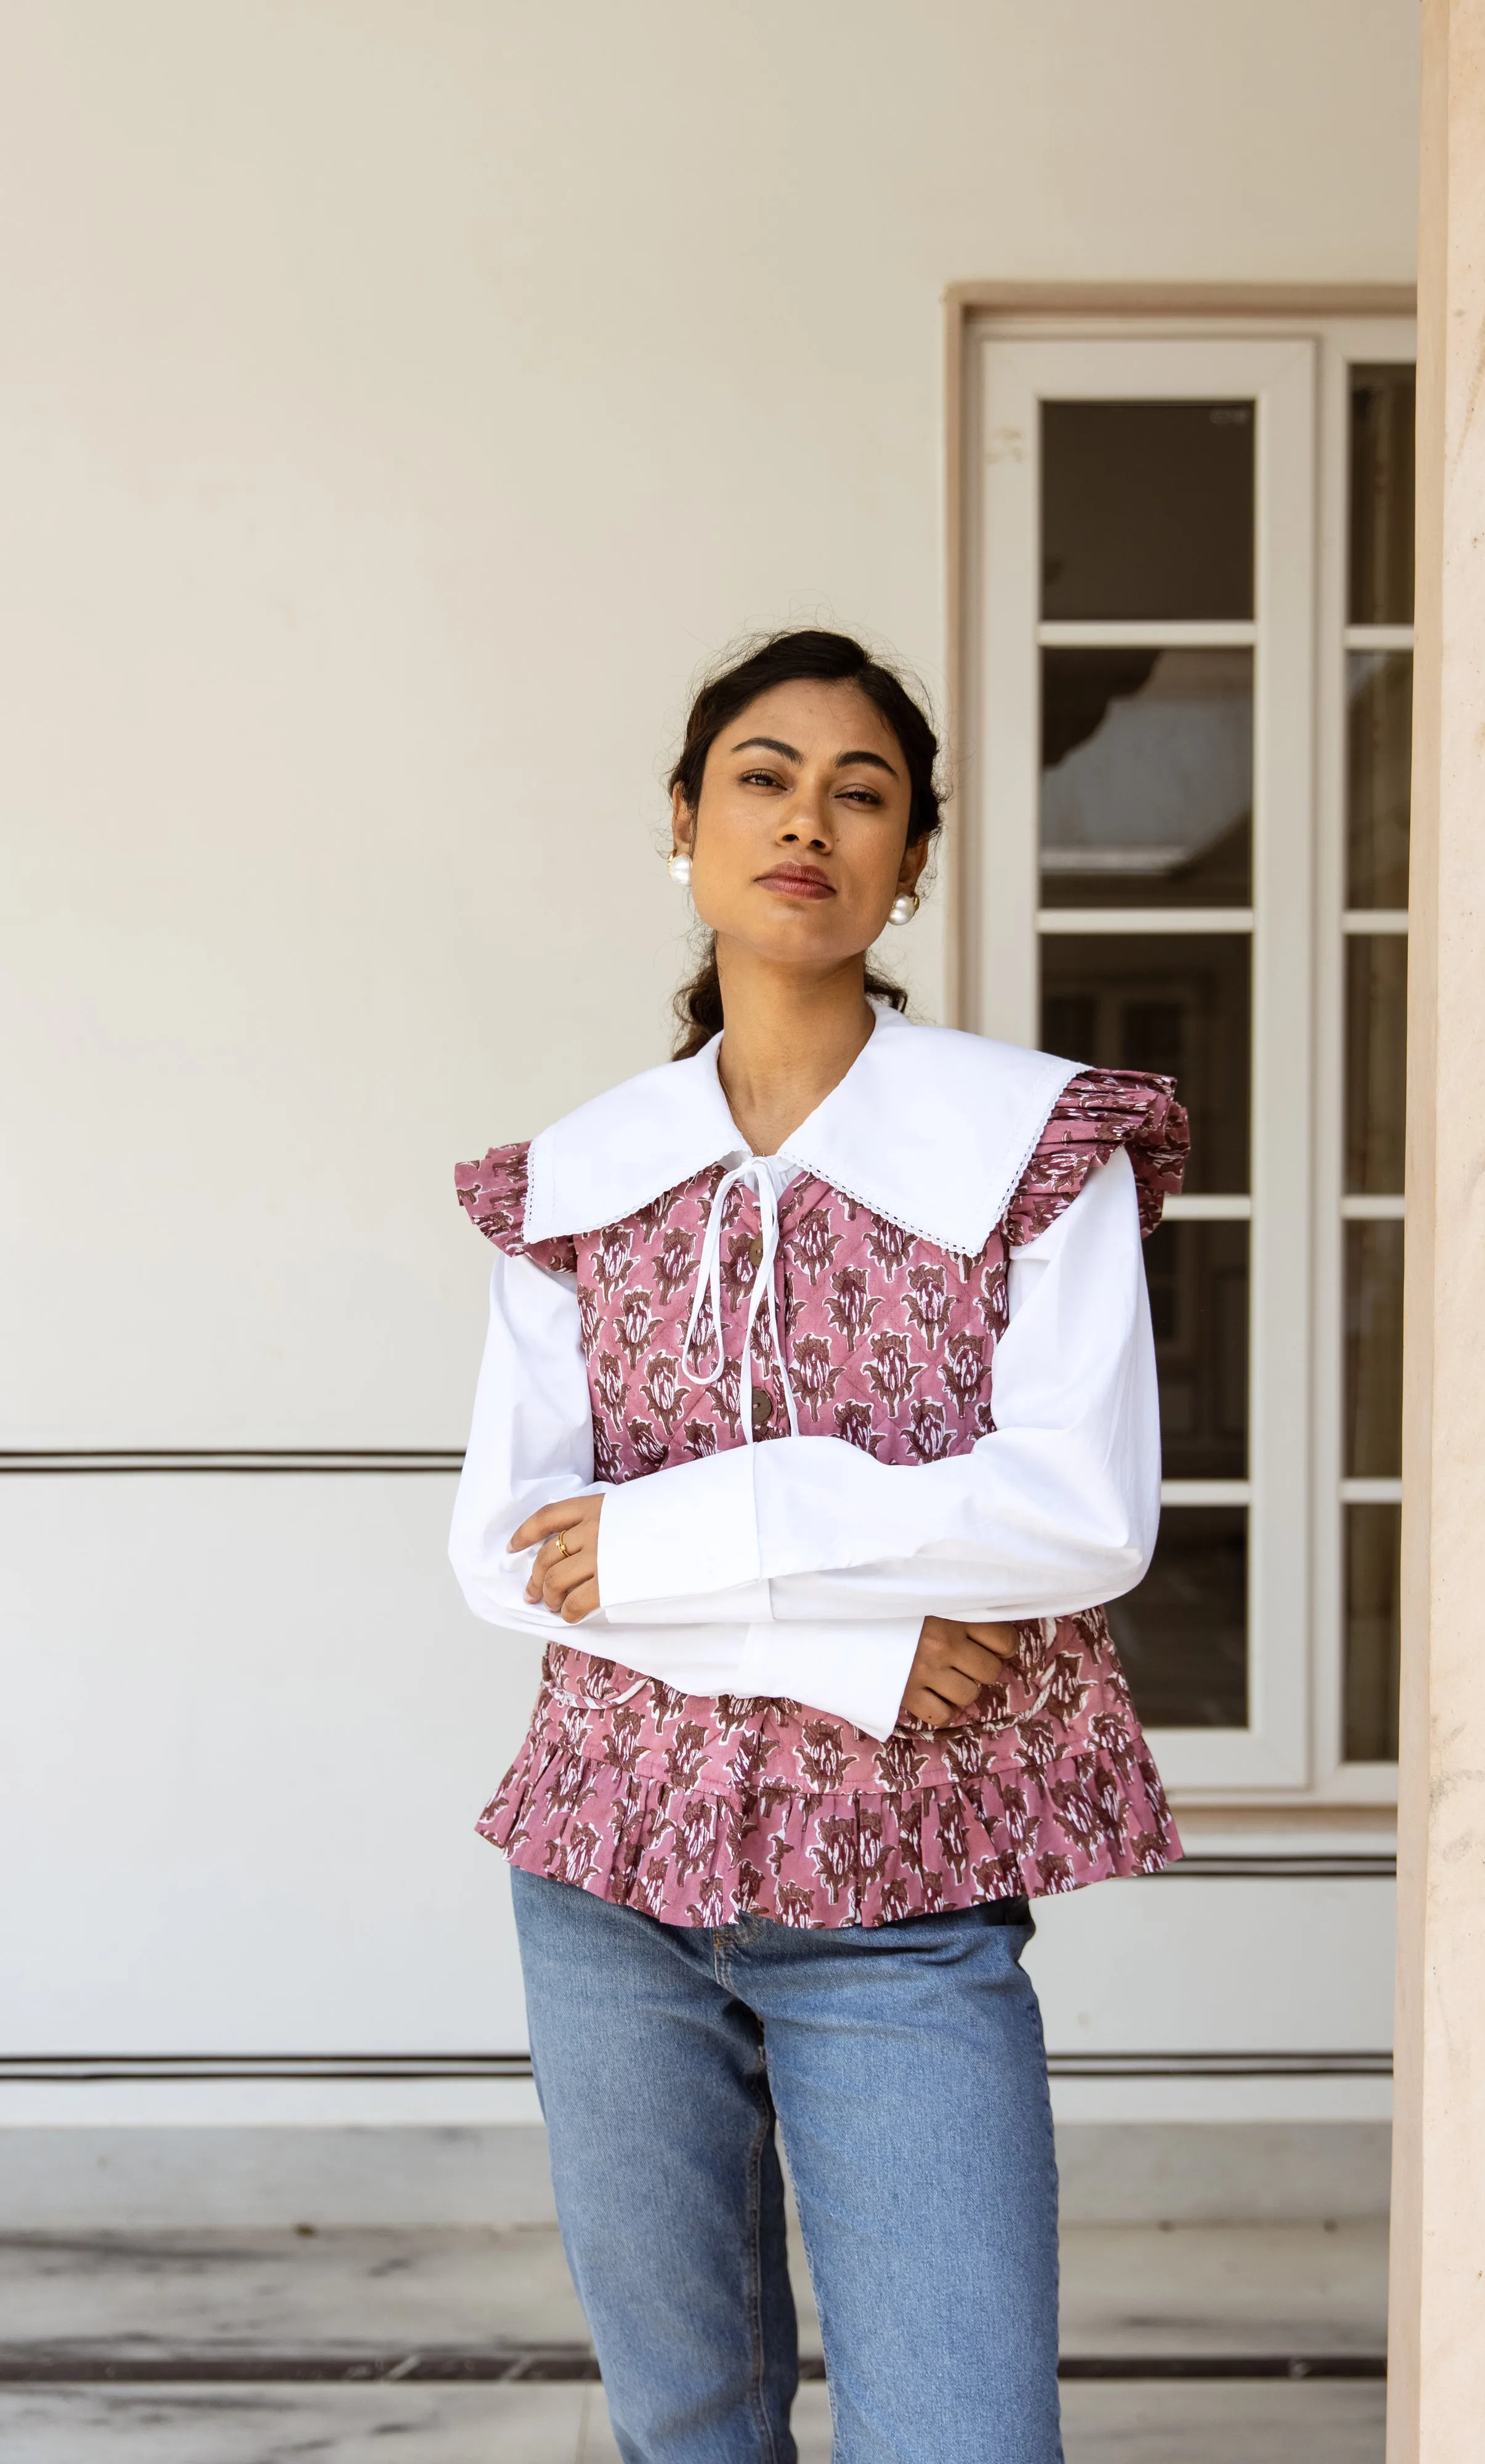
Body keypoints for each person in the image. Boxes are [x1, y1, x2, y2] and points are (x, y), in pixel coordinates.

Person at [449, 628, 1188, 2464]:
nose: (808, 821)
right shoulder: (577, 1178)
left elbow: (1076, 1516)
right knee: (686, 2425)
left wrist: (667, 1538)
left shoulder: (1032, 1145)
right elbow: (508, 1554)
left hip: (903, 1903)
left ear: (913, 858)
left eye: (862, 793)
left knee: (959, 2436)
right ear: (684, 827)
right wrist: (838, 1645)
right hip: (602, 1884)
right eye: (762, 778)